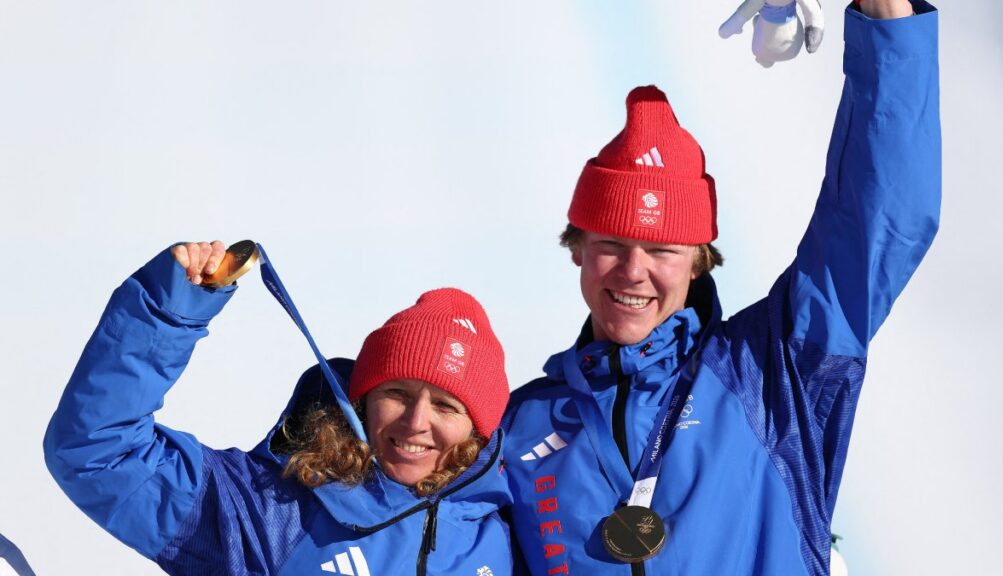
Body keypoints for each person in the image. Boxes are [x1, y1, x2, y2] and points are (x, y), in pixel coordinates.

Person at [499, 1, 939, 575]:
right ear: (577, 246)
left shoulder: (772, 374)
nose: (632, 270)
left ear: (698, 262)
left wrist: (886, 16)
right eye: (611, 243)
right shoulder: (519, 427)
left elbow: (881, 219)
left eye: (662, 250)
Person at [44, 242, 514, 575]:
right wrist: (168, 313)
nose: (416, 422)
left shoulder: (504, 533)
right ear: (364, 399)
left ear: (478, 428)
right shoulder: (268, 512)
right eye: (398, 394)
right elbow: (98, 454)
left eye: (446, 406)